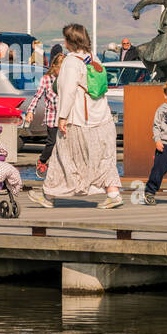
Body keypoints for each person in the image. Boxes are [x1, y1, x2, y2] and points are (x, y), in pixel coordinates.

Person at [29, 23, 123, 209]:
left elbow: (69, 91)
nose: (63, 42)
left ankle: (48, 195)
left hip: (79, 120)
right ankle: (113, 194)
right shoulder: (92, 58)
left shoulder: (71, 62)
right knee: (102, 157)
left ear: (70, 41)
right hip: (101, 118)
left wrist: (62, 116)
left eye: (65, 38)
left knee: (63, 156)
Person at [23, 53, 62, 179]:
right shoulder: (46, 79)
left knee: (65, 144)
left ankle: (60, 169)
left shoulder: (67, 78)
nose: (62, 72)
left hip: (66, 116)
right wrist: (30, 111)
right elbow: (37, 96)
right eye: (60, 69)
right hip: (52, 115)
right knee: (52, 142)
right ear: (54, 66)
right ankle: (42, 160)